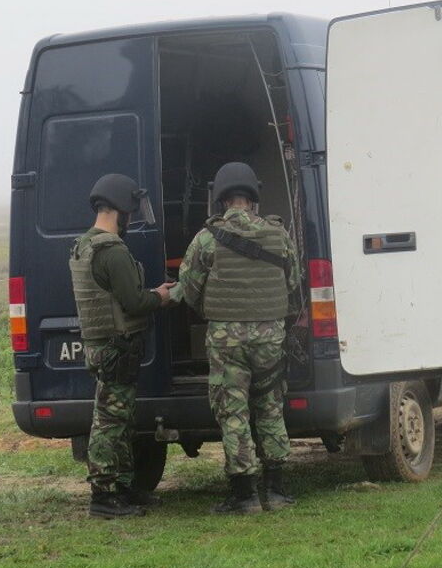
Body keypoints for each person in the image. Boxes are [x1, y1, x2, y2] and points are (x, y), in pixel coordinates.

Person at [178, 161, 301, 514]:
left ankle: (245, 495)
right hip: (270, 336)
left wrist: (211, 309)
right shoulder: (278, 235)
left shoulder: (206, 238)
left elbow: (189, 290)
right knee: (269, 406)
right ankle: (276, 491)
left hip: (226, 338)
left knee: (233, 412)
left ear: (221, 199)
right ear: (253, 197)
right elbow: (293, 285)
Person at [69, 173, 175, 519]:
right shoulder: (112, 251)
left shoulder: (84, 245)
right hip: (116, 348)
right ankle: (103, 496)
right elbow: (133, 302)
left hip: (104, 346)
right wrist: (159, 296)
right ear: (119, 210)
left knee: (120, 419)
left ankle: (125, 488)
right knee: (110, 423)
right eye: (130, 211)